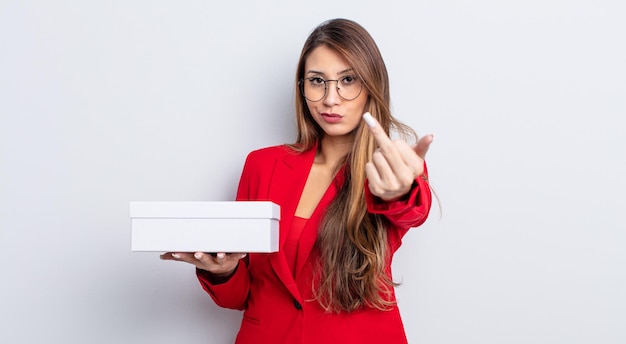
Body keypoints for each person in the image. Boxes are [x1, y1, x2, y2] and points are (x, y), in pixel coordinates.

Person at [161, 18, 433, 343]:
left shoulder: (389, 169)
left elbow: (412, 209)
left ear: (372, 86)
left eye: (348, 80)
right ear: (302, 87)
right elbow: (244, 297)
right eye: (317, 81)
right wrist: (223, 272)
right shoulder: (261, 166)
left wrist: (399, 191)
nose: (331, 98)